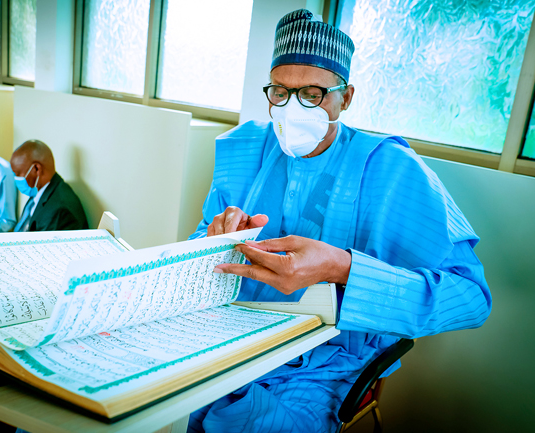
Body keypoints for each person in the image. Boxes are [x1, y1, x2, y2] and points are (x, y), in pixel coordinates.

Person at [187, 9, 492, 433]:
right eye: (280, 91)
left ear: (344, 98)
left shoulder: (390, 169)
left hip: (323, 360)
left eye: (312, 94)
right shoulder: (246, 147)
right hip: (230, 337)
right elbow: (201, 238)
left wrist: (342, 268)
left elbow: (471, 297)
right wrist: (215, 239)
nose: (292, 108)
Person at [11, 140, 88, 232]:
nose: (16, 178)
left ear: (36, 169)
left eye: (18, 174)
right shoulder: (39, 191)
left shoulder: (59, 209)